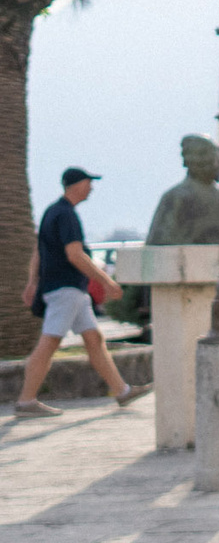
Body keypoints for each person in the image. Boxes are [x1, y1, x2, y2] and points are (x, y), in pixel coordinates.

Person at [16, 167, 147, 418]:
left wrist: (32, 282)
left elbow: (38, 250)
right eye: (89, 183)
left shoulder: (52, 212)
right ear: (76, 185)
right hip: (66, 290)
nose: (92, 188)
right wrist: (107, 281)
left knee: (94, 340)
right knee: (49, 342)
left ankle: (122, 391)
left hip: (69, 290)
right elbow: (75, 254)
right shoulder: (66, 215)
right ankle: (25, 401)